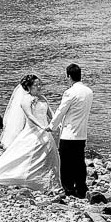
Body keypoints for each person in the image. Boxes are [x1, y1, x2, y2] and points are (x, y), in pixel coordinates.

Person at [0, 74, 61, 191]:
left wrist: (57, 123)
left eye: (40, 84)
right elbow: (30, 116)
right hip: (33, 132)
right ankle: (22, 177)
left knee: (49, 155)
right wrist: (42, 126)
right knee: (23, 155)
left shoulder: (43, 98)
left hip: (46, 133)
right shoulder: (25, 100)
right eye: (36, 85)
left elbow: (50, 113)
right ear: (29, 87)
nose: (39, 87)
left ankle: (48, 182)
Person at [47, 64, 94, 199]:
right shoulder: (89, 92)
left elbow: (61, 111)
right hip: (81, 133)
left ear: (69, 76)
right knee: (79, 161)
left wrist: (52, 126)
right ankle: (81, 187)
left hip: (68, 134)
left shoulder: (69, 92)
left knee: (66, 163)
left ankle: (68, 189)